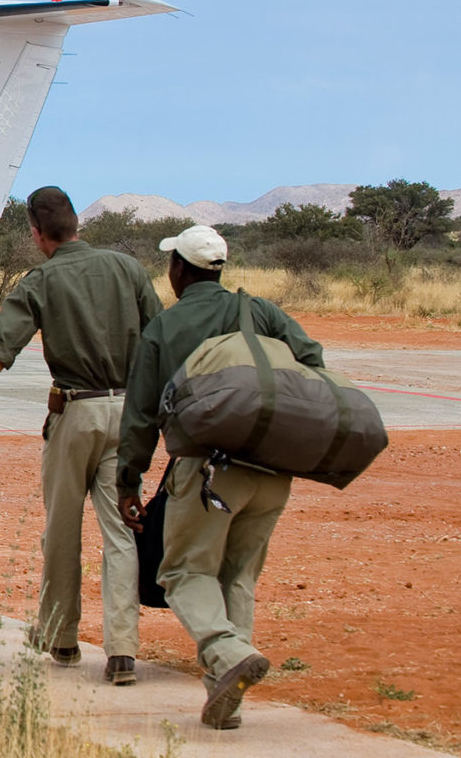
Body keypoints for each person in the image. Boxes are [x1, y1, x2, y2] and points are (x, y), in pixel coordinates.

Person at [0, 186, 161, 686]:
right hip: (127, 414)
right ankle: (122, 650)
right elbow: (159, 338)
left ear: (37, 233)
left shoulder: (40, 280)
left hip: (75, 414)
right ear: (77, 224)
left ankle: (62, 638)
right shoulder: (127, 270)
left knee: (62, 529)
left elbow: (1, 348)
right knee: (121, 530)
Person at [116, 224, 325, 730]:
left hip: (208, 470)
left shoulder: (164, 327)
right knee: (239, 575)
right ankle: (224, 697)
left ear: (179, 270)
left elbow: (141, 413)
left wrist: (129, 481)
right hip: (272, 469)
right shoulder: (261, 312)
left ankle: (227, 653)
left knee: (184, 572)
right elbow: (313, 359)